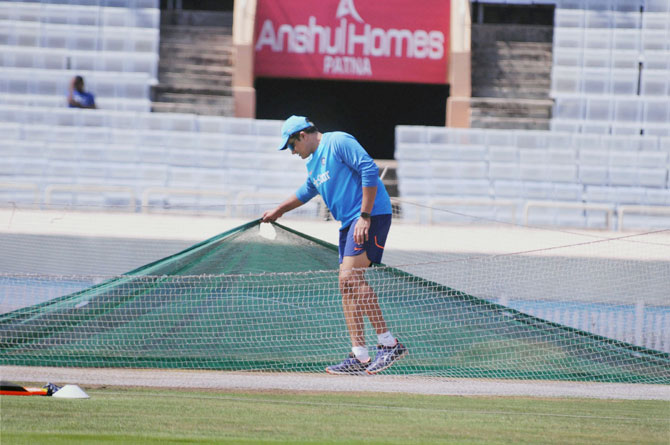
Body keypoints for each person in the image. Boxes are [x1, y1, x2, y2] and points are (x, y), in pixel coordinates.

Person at [261, 115, 407, 375]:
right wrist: (279, 211)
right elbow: (307, 191)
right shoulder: (313, 165)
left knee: (351, 277)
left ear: (303, 135)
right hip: (348, 223)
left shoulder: (337, 141)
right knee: (345, 283)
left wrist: (365, 216)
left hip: (368, 216)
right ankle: (359, 355)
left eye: (292, 145)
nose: (292, 152)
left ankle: (389, 343)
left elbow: (369, 169)